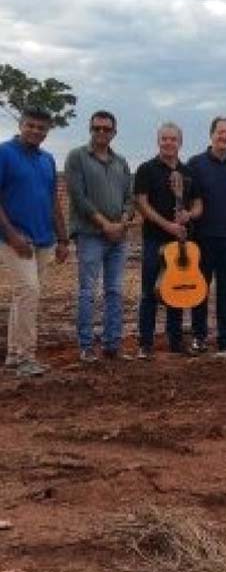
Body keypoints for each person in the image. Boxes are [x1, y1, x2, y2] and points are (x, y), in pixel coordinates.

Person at [0, 107, 69, 376]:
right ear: (21, 124)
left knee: (24, 296)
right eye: (31, 126)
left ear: (48, 130)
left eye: (42, 128)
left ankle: (15, 355)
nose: (36, 131)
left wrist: (63, 239)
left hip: (43, 239)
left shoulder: (47, 160)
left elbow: (53, 201)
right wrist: (12, 235)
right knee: (29, 291)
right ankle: (27, 356)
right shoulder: (4, 154)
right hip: (14, 239)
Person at [65, 110, 135, 363]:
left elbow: (130, 198)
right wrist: (105, 224)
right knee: (88, 291)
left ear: (114, 132)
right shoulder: (77, 157)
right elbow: (78, 197)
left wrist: (123, 222)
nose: (102, 133)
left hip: (118, 237)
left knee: (115, 291)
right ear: (90, 129)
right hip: (90, 235)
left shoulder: (121, 162)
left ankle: (112, 345)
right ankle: (86, 346)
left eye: (107, 129)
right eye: (97, 128)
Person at [134, 122, 203, 359]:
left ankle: (175, 341)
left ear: (180, 142)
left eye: (173, 139)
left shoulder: (188, 172)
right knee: (150, 292)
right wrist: (168, 226)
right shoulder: (146, 169)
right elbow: (142, 203)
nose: (169, 143)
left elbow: (198, 204)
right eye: (164, 138)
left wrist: (188, 215)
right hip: (155, 240)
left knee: (177, 291)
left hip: (181, 243)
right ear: (158, 141)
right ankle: (145, 344)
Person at [188, 116, 226, 352]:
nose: (224, 137)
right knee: (199, 289)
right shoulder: (195, 164)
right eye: (220, 132)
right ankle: (199, 336)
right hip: (202, 238)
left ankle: (225, 336)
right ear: (211, 134)